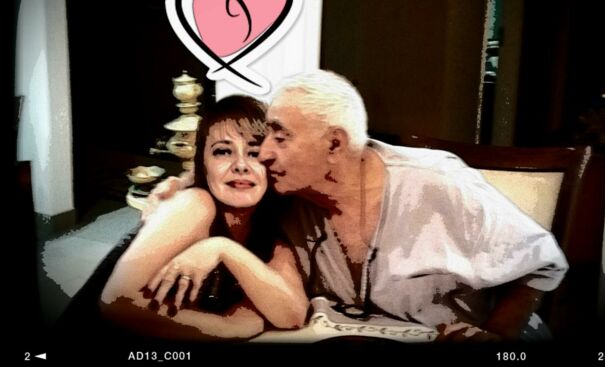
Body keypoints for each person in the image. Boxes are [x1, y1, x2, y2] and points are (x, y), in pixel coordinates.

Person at [253, 69, 568, 341]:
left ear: (335, 144)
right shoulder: (288, 201)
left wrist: (496, 335)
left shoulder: (438, 181)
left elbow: (540, 263)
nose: (263, 153)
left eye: (281, 138)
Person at [99, 95, 308, 341]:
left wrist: (222, 248)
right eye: (223, 151)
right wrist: (227, 327)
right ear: (203, 165)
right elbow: (115, 302)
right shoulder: (196, 204)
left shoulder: (272, 227)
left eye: (254, 153)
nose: (241, 165)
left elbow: (293, 315)